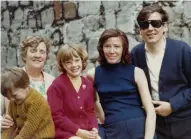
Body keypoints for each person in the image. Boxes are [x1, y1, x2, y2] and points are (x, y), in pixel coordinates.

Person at [131, 4, 191, 139]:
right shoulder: (136, 54)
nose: (150, 28)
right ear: (140, 30)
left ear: (165, 27)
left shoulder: (182, 50)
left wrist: (172, 105)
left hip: (184, 122)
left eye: (155, 23)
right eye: (144, 25)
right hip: (155, 126)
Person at [87, 29, 156, 139]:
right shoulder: (92, 75)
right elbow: (93, 100)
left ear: (123, 49)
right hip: (112, 131)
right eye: (107, 46)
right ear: (101, 48)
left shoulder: (137, 72)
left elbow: (150, 111)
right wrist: (104, 118)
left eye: (117, 46)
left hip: (140, 129)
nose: (112, 51)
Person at [1, 35, 55, 129]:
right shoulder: (11, 78)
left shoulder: (52, 81)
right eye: (33, 51)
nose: (38, 55)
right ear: (24, 55)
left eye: (42, 52)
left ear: (46, 56)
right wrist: (1, 122)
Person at [47, 44, 100, 139]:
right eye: (68, 62)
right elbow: (57, 116)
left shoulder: (88, 84)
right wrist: (78, 132)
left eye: (77, 60)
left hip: (86, 130)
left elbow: (90, 111)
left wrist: (94, 128)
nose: (74, 65)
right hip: (65, 132)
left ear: (82, 60)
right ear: (62, 64)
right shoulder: (56, 86)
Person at [1, 67, 55, 139]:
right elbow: (10, 124)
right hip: (24, 135)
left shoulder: (37, 101)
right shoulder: (13, 100)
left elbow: (29, 127)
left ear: (26, 87)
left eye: (14, 95)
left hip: (41, 136)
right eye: (8, 97)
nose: (12, 100)